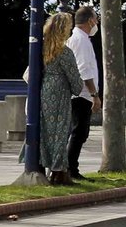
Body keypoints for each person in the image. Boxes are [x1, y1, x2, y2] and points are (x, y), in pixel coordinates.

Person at [22, 13, 84, 184]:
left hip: (41, 93)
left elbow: (28, 75)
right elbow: (75, 80)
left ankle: (40, 165)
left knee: (43, 130)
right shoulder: (64, 52)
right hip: (59, 95)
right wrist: (78, 88)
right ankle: (58, 172)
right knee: (60, 132)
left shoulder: (40, 49)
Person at [66, 5, 101, 180]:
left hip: (80, 94)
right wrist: (94, 95)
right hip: (82, 94)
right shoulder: (81, 40)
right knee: (79, 132)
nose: (97, 23)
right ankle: (71, 169)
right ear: (90, 21)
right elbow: (84, 70)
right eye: (95, 19)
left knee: (80, 132)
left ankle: (70, 168)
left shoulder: (80, 39)